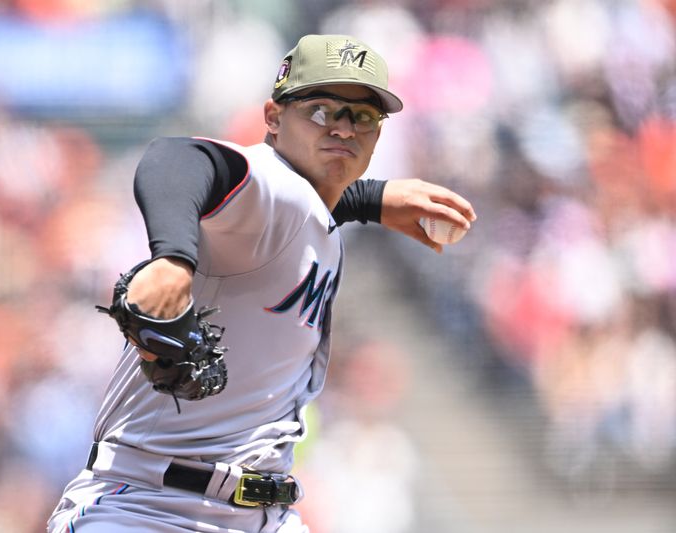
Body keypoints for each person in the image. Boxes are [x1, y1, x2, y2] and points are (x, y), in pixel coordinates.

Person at [47, 34, 476, 533]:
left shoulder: (307, 209)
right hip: (147, 509)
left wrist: (369, 199)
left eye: (362, 116)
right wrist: (173, 260)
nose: (343, 127)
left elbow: (307, 212)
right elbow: (179, 158)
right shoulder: (275, 187)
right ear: (273, 118)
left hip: (262, 515)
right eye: (321, 110)